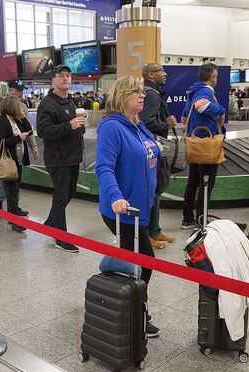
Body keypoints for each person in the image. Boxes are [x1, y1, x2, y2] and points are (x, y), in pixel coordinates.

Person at [96, 75, 161, 337]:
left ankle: (123, 306)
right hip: (123, 210)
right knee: (145, 262)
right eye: (136, 92)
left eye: (142, 91)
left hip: (142, 208)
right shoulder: (112, 127)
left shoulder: (137, 124)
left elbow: (148, 152)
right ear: (123, 97)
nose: (142, 95)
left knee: (135, 262)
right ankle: (135, 313)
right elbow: (104, 167)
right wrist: (115, 196)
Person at [36, 65, 85, 253]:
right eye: (61, 76)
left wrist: (78, 125)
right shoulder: (48, 103)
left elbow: (73, 127)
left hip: (73, 157)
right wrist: (69, 125)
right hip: (58, 159)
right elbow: (43, 131)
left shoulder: (70, 101)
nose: (65, 79)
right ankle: (60, 237)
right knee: (61, 196)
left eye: (68, 76)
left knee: (68, 194)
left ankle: (50, 223)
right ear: (53, 80)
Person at [180, 63, 226, 229]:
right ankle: (201, 220)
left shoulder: (193, 92)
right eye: (216, 76)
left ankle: (188, 219)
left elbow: (184, 118)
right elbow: (201, 106)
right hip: (207, 145)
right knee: (206, 183)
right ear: (212, 77)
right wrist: (220, 110)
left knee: (193, 182)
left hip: (194, 144)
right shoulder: (206, 92)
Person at [0, 80, 38, 215]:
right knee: (3, 178)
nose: (20, 93)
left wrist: (33, 146)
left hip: (18, 154)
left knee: (14, 185)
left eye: (21, 91)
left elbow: (28, 130)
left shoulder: (21, 108)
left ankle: (14, 209)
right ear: (10, 89)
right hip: (6, 153)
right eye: (18, 90)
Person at [139, 62, 177, 249]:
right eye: (161, 71)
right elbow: (146, 123)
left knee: (156, 192)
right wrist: (167, 125)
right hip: (152, 148)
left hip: (150, 147)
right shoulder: (152, 95)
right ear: (151, 75)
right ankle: (148, 234)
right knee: (154, 192)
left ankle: (155, 230)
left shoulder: (148, 92)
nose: (165, 73)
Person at [0, 96, 35, 233]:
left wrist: (23, 117)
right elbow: (0, 142)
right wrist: (18, 138)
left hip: (18, 160)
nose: (20, 109)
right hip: (9, 161)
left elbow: (29, 130)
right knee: (11, 191)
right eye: (18, 106)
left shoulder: (16, 119)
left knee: (15, 189)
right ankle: (13, 220)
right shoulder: (1, 121)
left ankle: (14, 210)